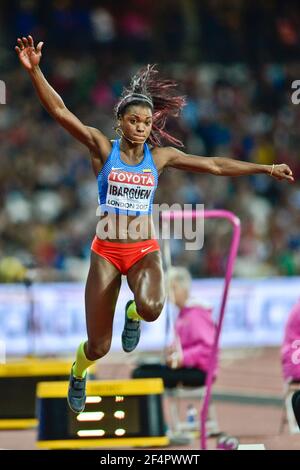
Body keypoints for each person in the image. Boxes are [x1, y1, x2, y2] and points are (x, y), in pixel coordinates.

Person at [15, 35, 294, 414]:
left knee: (151, 308)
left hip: (144, 248)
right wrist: (35, 72)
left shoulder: (160, 157)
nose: (141, 127)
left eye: (147, 122)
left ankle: (133, 313)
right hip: (106, 253)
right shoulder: (102, 147)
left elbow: (213, 165)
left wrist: (265, 167)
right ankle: (79, 371)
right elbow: (62, 112)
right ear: (120, 122)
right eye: (134, 120)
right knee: (98, 346)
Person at [132, 266, 218, 388]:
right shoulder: (183, 313)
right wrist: (173, 353)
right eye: (168, 288)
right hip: (188, 367)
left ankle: (152, 407)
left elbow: (208, 348)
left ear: (184, 288)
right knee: (143, 369)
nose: (169, 292)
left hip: (200, 371)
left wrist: (182, 358)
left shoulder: (196, 313)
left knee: (141, 374)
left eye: (174, 288)